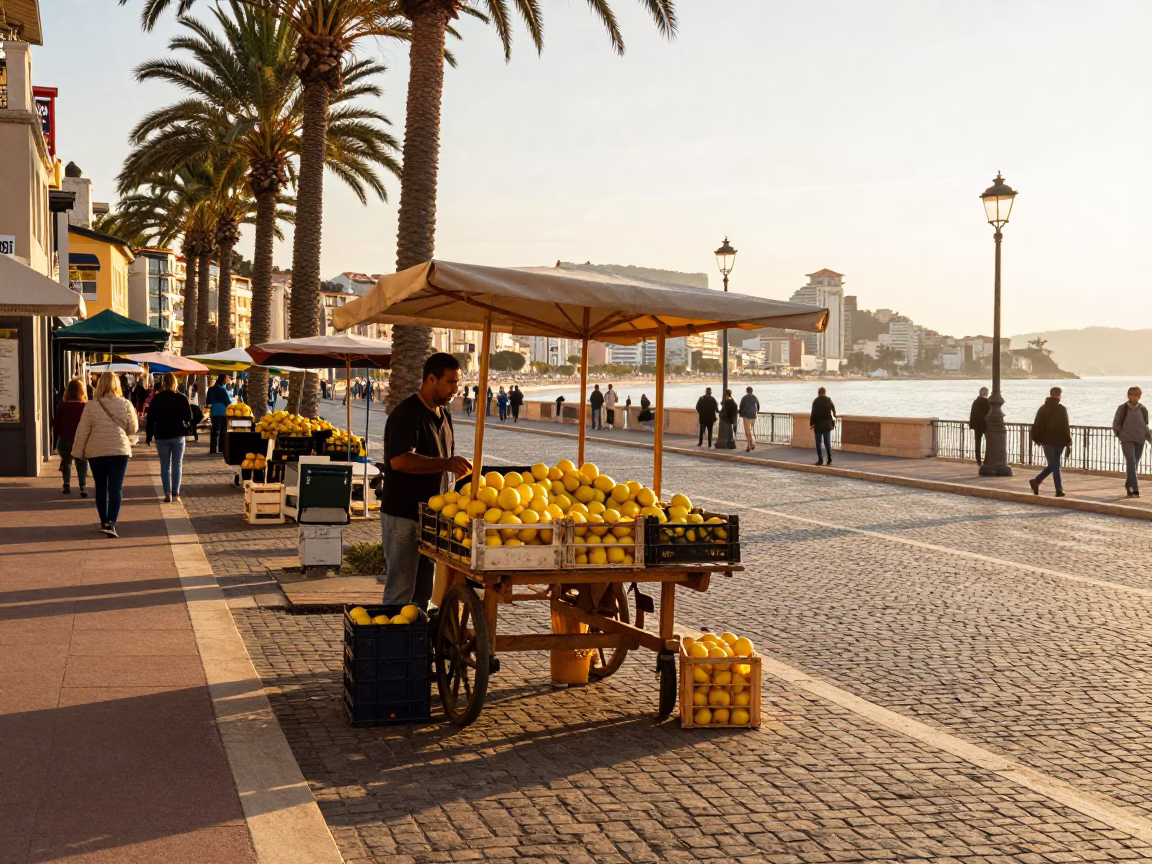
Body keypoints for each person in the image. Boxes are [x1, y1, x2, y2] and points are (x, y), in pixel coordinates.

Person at [381, 353, 470, 610]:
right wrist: (445, 463)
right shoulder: (406, 414)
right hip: (403, 516)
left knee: (423, 592)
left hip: (432, 518)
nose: (455, 389)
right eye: (450, 383)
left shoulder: (444, 414)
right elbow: (399, 460)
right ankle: (394, 644)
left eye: (458, 384)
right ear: (431, 379)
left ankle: (417, 643)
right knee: (400, 591)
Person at [71, 372, 138, 537]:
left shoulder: (91, 406)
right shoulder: (126, 404)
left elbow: (83, 431)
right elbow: (133, 428)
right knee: (116, 487)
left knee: (101, 487)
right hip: (119, 450)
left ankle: (104, 520)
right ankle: (112, 522)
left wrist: (77, 452)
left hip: (96, 451)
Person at [146, 372, 193, 503]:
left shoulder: (157, 399)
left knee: (165, 465)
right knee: (177, 464)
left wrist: (149, 436)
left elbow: (150, 419)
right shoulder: (181, 398)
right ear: (175, 382)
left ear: (163, 383)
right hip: (178, 434)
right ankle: (176, 493)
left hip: (161, 435)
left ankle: (167, 493)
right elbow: (189, 417)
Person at [1029, 387, 1071, 497]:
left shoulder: (1042, 409)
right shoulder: (1061, 409)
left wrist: (1037, 439)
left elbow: (1036, 425)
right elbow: (1065, 427)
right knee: (1055, 465)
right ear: (1059, 395)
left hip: (1046, 442)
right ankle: (1058, 489)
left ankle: (1036, 481)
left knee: (1054, 465)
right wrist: (1068, 441)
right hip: (1059, 442)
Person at [53, 378, 89, 497]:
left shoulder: (62, 406)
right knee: (82, 462)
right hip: (80, 441)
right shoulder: (84, 406)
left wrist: (56, 439)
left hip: (65, 439)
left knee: (66, 462)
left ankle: (66, 484)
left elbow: (57, 424)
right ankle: (82, 486)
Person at [1112, 386, 1151, 498]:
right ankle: (1135, 490)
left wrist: (1150, 440)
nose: (1132, 396)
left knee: (1134, 464)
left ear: (1139, 396)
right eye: (1130, 394)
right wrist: (1121, 435)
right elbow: (1116, 424)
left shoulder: (1143, 409)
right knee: (1131, 461)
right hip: (1126, 440)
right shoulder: (1122, 408)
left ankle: (1128, 485)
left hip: (1140, 440)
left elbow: (1145, 427)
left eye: (1134, 394)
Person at [206, 374, 234, 455]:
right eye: (226, 378)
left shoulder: (211, 389)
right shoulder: (222, 390)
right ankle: (221, 448)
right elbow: (227, 402)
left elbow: (208, 402)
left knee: (214, 430)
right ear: (223, 379)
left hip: (214, 412)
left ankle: (213, 449)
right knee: (223, 431)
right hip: (222, 412)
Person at [810, 386, 838, 465]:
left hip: (818, 425)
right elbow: (833, 409)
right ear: (825, 392)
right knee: (827, 442)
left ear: (818, 393)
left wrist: (812, 424)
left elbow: (813, 414)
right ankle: (829, 458)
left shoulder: (815, 401)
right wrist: (834, 417)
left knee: (818, 443)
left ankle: (820, 460)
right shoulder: (828, 400)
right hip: (827, 424)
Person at [969, 387, 991, 466]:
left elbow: (972, 414)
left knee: (977, 443)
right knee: (989, 443)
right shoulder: (989, 402)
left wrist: (972, 424)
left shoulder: (976, 402)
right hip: (986, 426)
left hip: (977, 426)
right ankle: (987, 460)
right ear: (987, 393)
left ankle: (978, 460)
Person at [739, 386, 760, 452]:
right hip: (754, 415)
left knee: (747, 431)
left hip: (747, 415)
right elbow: (758, 405)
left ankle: (749, 445)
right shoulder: (754, 397)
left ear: (746, 391)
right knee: (751, 430)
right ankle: (752, 443)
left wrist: (740, 413)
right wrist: (757, 411)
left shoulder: (744, 398)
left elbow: (741, 406)